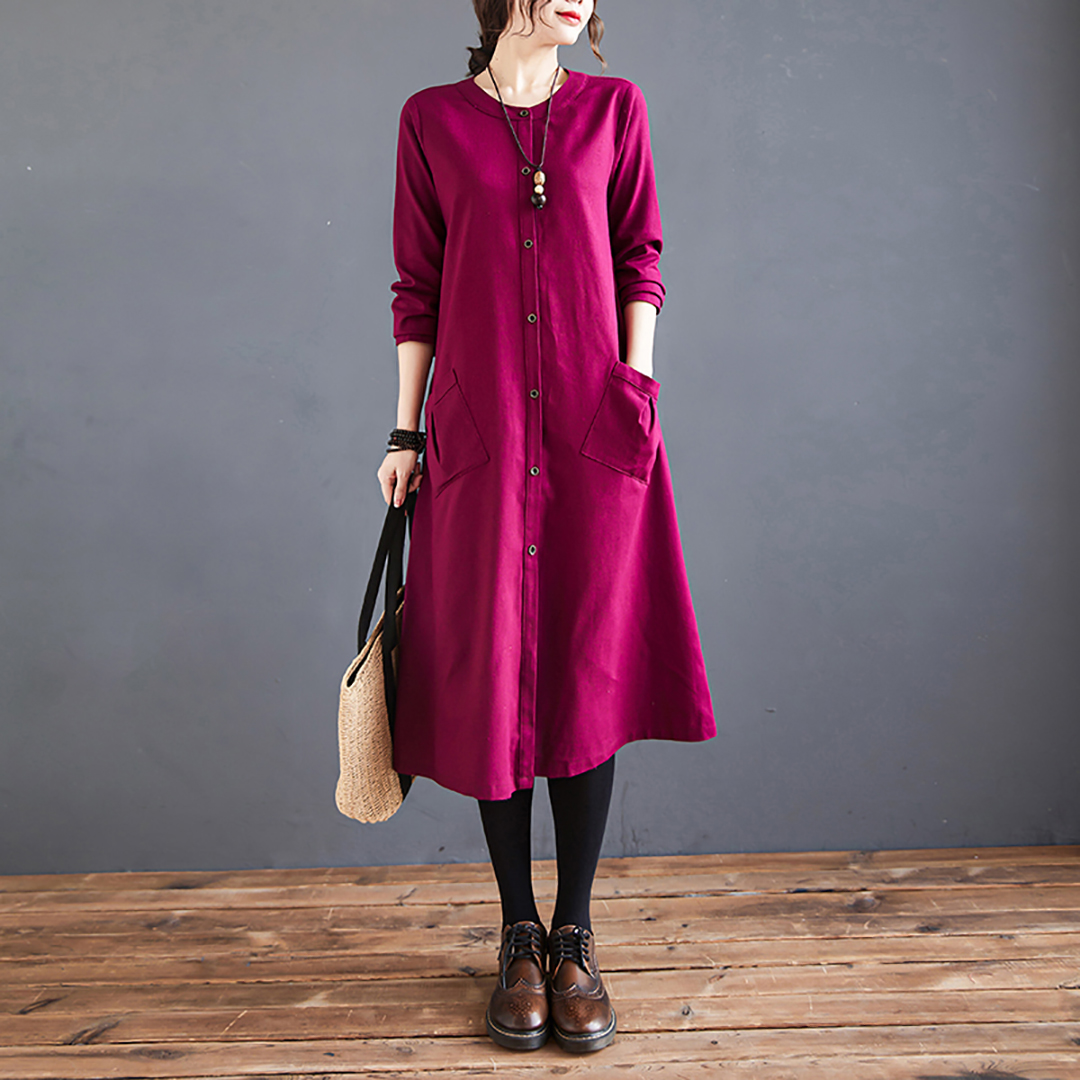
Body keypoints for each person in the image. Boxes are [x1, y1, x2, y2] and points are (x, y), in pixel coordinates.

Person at [376, 0, 716, 1055]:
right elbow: (418, 289)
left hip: (591, 430)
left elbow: (641, 255)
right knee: (491, 673)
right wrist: (406, 432)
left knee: (583, 670)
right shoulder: (431, 120)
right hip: (480, 434)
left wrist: (635, 388)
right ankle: (516, 933)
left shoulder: (616, 110)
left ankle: (575, 934)